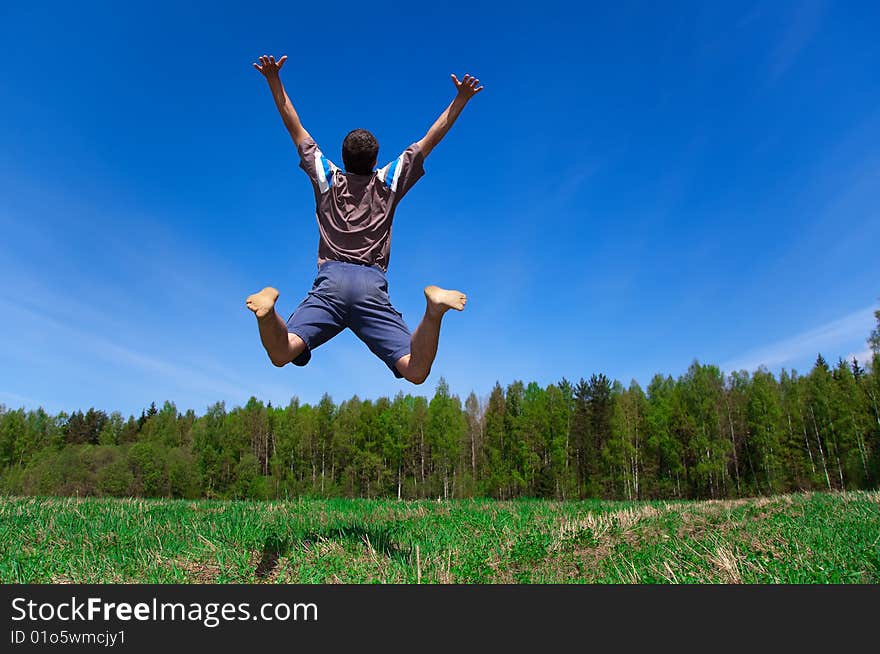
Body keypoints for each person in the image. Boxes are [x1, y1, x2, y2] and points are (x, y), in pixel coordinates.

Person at [245, 54, 484, 384]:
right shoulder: (387, 181)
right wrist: (461, 98)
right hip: (371, 283)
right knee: (415, 371)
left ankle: (269, 312)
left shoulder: (328, 178)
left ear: (343, 158)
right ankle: (434, 310)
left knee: (283, 352)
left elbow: (294, 126)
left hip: (330, 281)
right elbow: (432, 137)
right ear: (374, 160)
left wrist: (273, 78)